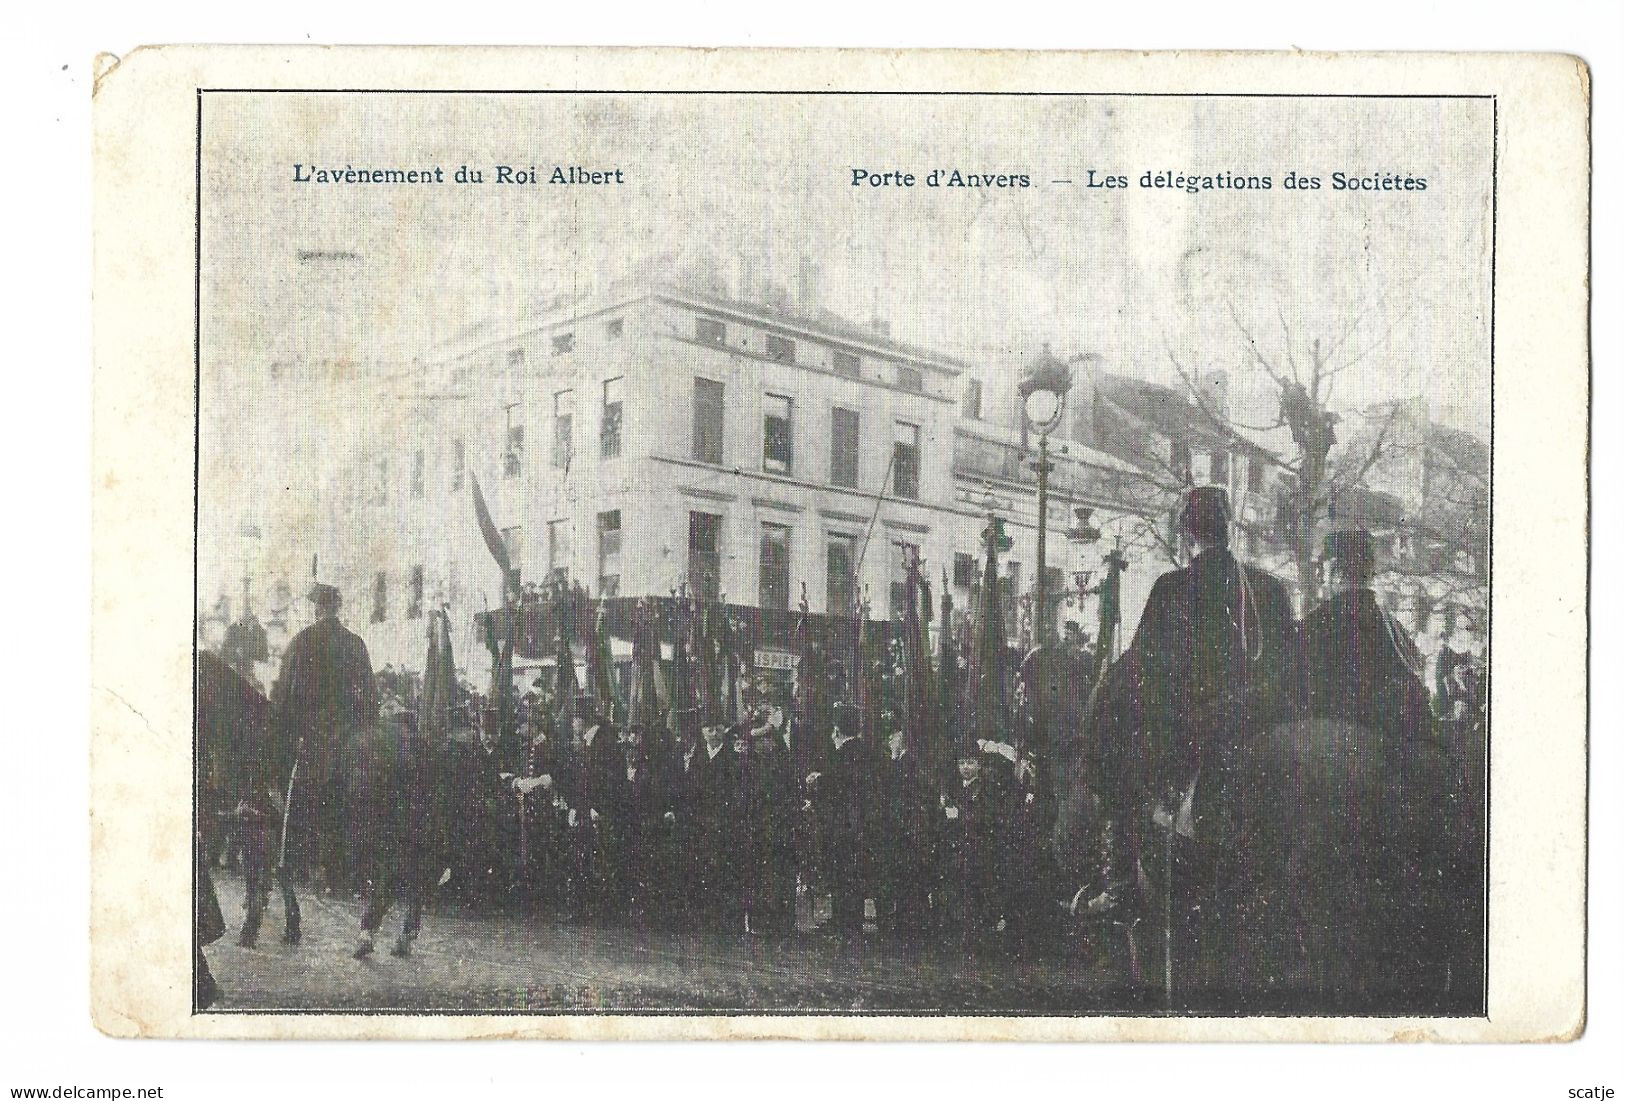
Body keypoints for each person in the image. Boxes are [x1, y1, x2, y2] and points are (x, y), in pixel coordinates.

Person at [1087, 486, 1296, 908]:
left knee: (1117, 763)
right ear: (1229, 529)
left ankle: (1120, 884)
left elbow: (1141, 667)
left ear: (1185, 534)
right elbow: (1288, 667)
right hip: (1262, 723)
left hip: (1195, 731)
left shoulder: (1173, 587)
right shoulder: (1270, 590)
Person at [269, 582, 378, 890]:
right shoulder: (355, 643)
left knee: (297, 799)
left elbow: (286, 694)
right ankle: (348, 870)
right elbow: (370, 696)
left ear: (317, 608)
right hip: (351, 738)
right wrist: (364, 730)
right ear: (336, 608)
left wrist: (287, 732)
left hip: (313, 738)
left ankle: (297, 865)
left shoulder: (302, 642)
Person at [1297, 529, 1433, 734]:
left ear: (1336, 569)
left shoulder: (1315, 625)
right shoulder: (1392, 628)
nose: (1318, 573)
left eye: (1321, 565)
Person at [937, 735, 1010, 952]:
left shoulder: (986, 789)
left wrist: (959, 816)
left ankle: (975, 938)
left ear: (979, 764)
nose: (965, 767)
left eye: (970, 762)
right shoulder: (954, 789)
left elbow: (988, 818)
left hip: (977, 851)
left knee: (975, 896)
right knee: (958, 894)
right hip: (957, 849)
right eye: (961, 763)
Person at [820, 701, 880, 945]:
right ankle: (847, 921)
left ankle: (845, 922)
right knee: (852, 873)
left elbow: (835, 786)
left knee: (842, 873)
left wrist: (819, 781)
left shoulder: (842, 754)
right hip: (860, 822)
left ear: (836, 729)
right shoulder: (866, 752)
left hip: (843, 823)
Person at [682, 718, 742, 932]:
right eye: (710, 729)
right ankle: (702, 915)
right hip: (700, 823)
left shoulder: (733, 759)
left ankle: (723, 918)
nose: (714, 734)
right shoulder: (697, 758)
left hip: (722, 823)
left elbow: (736, 793)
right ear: (703, 732)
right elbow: (689, 790)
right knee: (701, 868)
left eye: (718, 729)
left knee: (722, 869)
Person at [876, 728, 936, 940]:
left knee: (908, 876)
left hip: (908, 826)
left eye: (893, 736)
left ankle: (909, 925)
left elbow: (897, 788)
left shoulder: (908, 763)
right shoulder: (905, 762)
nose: (890, 740)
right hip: (905, 826)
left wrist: (893, 757)